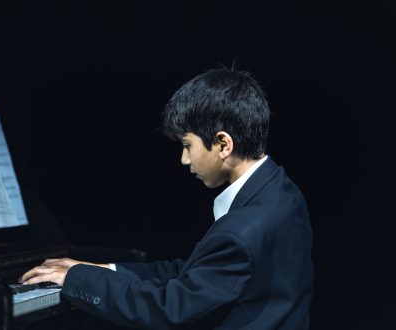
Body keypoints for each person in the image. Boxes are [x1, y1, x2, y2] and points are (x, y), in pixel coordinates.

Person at [19, 65, 314, 329]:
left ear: (223, 144)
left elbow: (169, 310)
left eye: (187, 145)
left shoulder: (242, 230)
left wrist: (76, 279)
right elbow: (193, 274)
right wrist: (105, 269)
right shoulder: (280, 189)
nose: (184, 160)